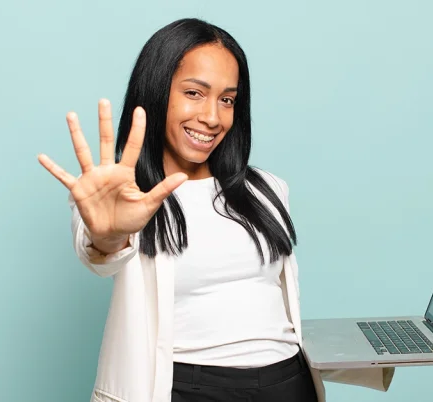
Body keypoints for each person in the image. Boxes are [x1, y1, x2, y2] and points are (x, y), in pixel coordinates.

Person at [38, 18, 392, 402]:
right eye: (194, 93)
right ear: (157, 92)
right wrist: (108, 235)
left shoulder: (267, 189)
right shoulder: (119, 195)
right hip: (186, 389)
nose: (212, 117)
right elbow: (100, 250)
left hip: (288, 384)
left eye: (227, 99)